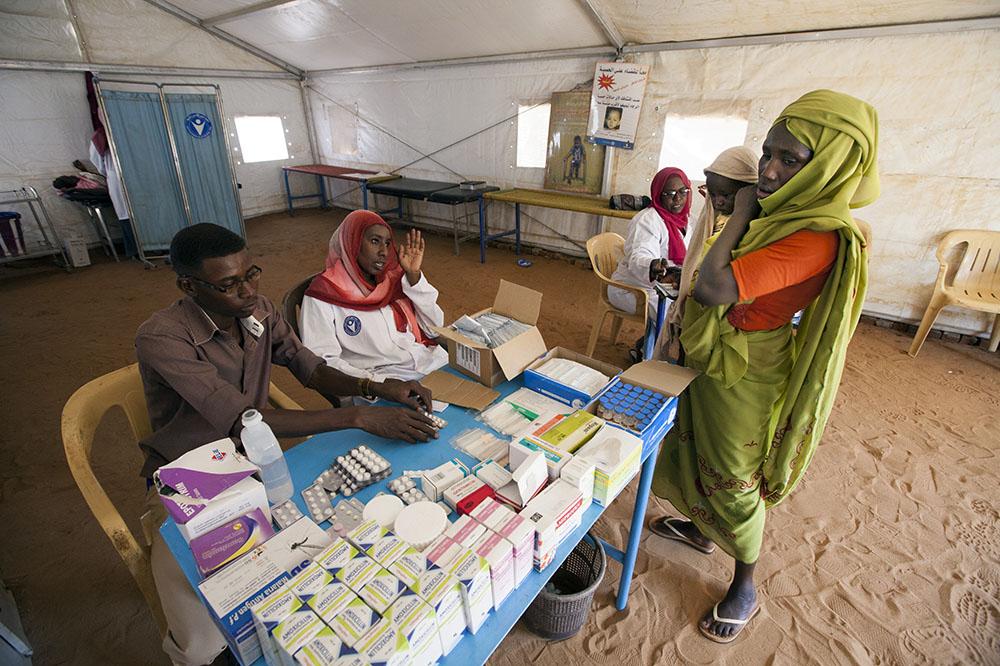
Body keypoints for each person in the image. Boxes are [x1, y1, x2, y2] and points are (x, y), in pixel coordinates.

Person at [136, 223, 437, 665]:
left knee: (317, 550)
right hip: (191, 477)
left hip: (256, 460)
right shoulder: (163, 337)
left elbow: (309, 367)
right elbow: (242, 419)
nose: (248, 291)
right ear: (188, 286)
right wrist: (358, 416)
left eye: (251, 274)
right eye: (229, 285)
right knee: (203, 642)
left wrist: (376, 386)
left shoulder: (257, 311)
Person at [648, 90, 878, 643]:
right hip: (721, 352)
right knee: (698, 444)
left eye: (789, 160)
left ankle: (745, 584)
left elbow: (711, 286)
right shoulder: (785, 215)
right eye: (768, 154)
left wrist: (741, 211)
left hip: (747, 367)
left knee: (735, 472)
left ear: (828, 165)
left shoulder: (815, 236)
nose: (769, 171)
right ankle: (705, 531)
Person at [300, 210, 448, 388]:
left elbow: (434, 329)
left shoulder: (392, 281)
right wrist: (376, 385)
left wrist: (413, 276)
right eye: (375, 241)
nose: (384, 252)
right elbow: (324, 362)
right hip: (384, 381)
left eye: (387, 243)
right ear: (353, 242)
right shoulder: (324, 294)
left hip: (428, 363)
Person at [658, 147, 759, 361]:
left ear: (748, 193)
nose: (717, 201)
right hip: (696, 313)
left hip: (726, 324)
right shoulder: (712, 218)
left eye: (726, 195)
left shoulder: (750, 228)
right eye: (712, 194)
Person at [607, 166, 691, 360]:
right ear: (658, 194)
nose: (678, 199)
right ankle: (656, 359)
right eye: (670, 194)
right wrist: (653, 265)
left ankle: (645, 347)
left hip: (664, 287)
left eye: (683, 191)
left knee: (691, 307)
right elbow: (639, 255)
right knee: (676, 313)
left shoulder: (687, 220)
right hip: (633, 288)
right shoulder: (646, 220)